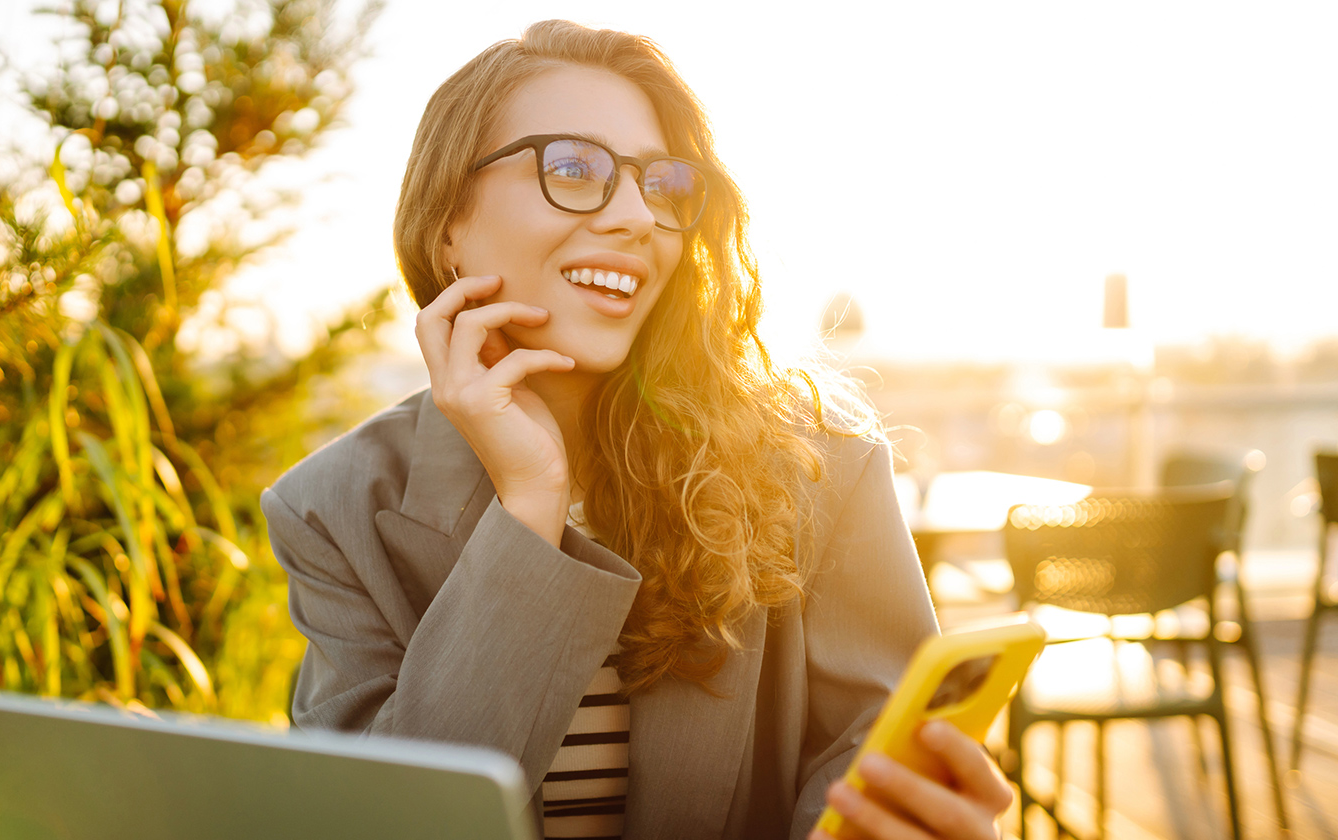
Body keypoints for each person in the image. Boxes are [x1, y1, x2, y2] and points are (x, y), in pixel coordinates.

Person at [260, 19, 1013, 840]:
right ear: (449, 225)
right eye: (573, 169)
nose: (635, 216)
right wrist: (531, 505)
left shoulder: (820, 473)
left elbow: (873, 782)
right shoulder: (334, 509)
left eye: (663, 186)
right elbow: (390, 824)